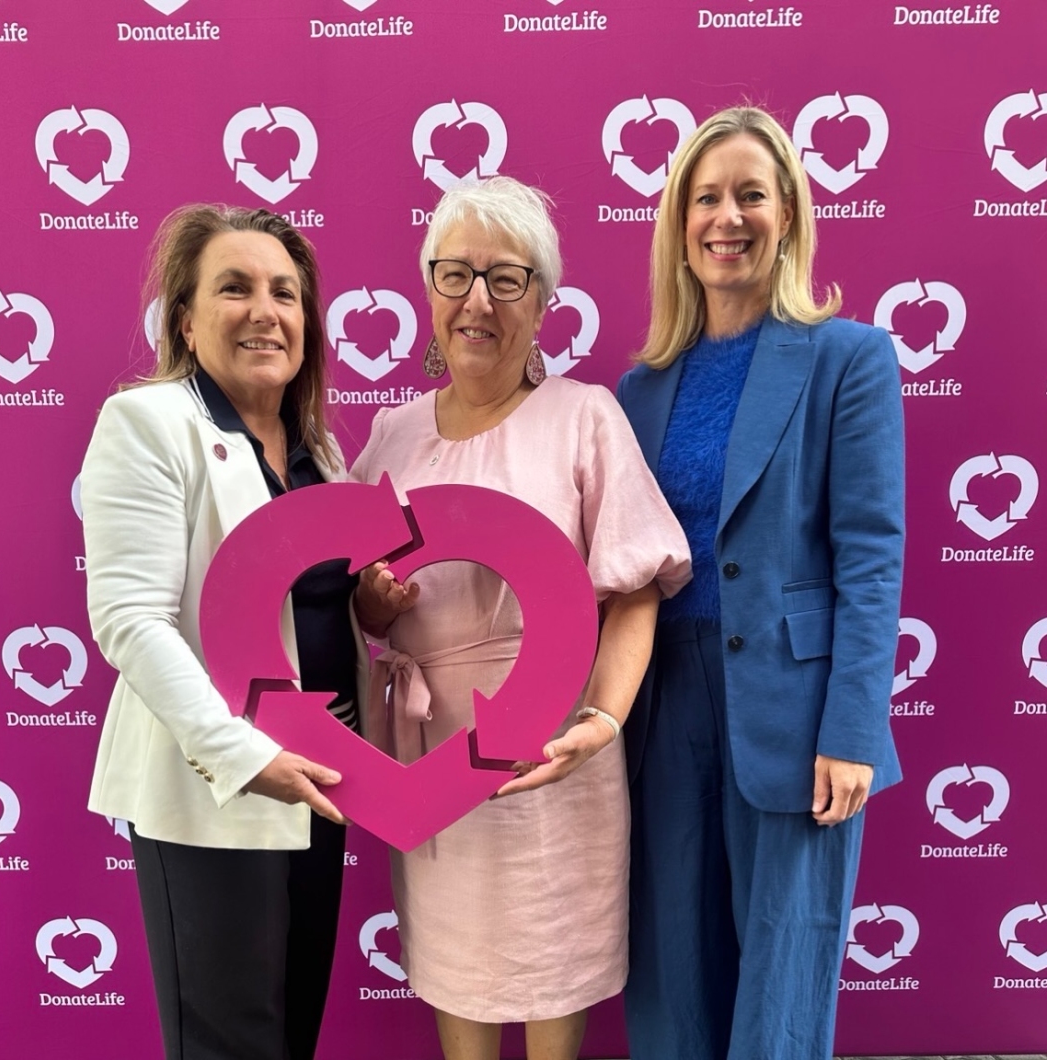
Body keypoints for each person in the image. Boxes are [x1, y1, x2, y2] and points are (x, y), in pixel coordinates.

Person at [350, 176, 691, 1060]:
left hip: (552, 751)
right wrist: (370, 603)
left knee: (552, 975)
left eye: (507, 279)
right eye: (455, 273)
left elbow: (637, 587)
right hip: (428, 757)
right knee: (456, 972)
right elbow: (345, 597)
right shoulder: (389, 435)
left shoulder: (584, 417)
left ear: (541, 301)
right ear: (427, 290)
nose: (477, 300)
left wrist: (604, 720)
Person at [617, 105, 905, 1060]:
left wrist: (854, 727)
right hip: (663, 704)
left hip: (795, 706)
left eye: (750, 195)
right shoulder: (642, 386)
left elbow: (870, 554)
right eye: (706, 198)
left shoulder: (848, 360)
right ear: (678, 225)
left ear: (787, 213)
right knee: (672, 971)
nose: (726, 218)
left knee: (781, 971)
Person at [81, 204, 363, 1060]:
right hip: (215, 793)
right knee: (230, 1043)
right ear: (185, 320)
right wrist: (244, 757)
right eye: (233, 288)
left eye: (284, 292)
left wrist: (369, 607)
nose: (264, 311)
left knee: (291, 1031)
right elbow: (130, 619)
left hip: (321, 782)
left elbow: (303, 609)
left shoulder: (318, 450)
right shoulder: (149, 423)